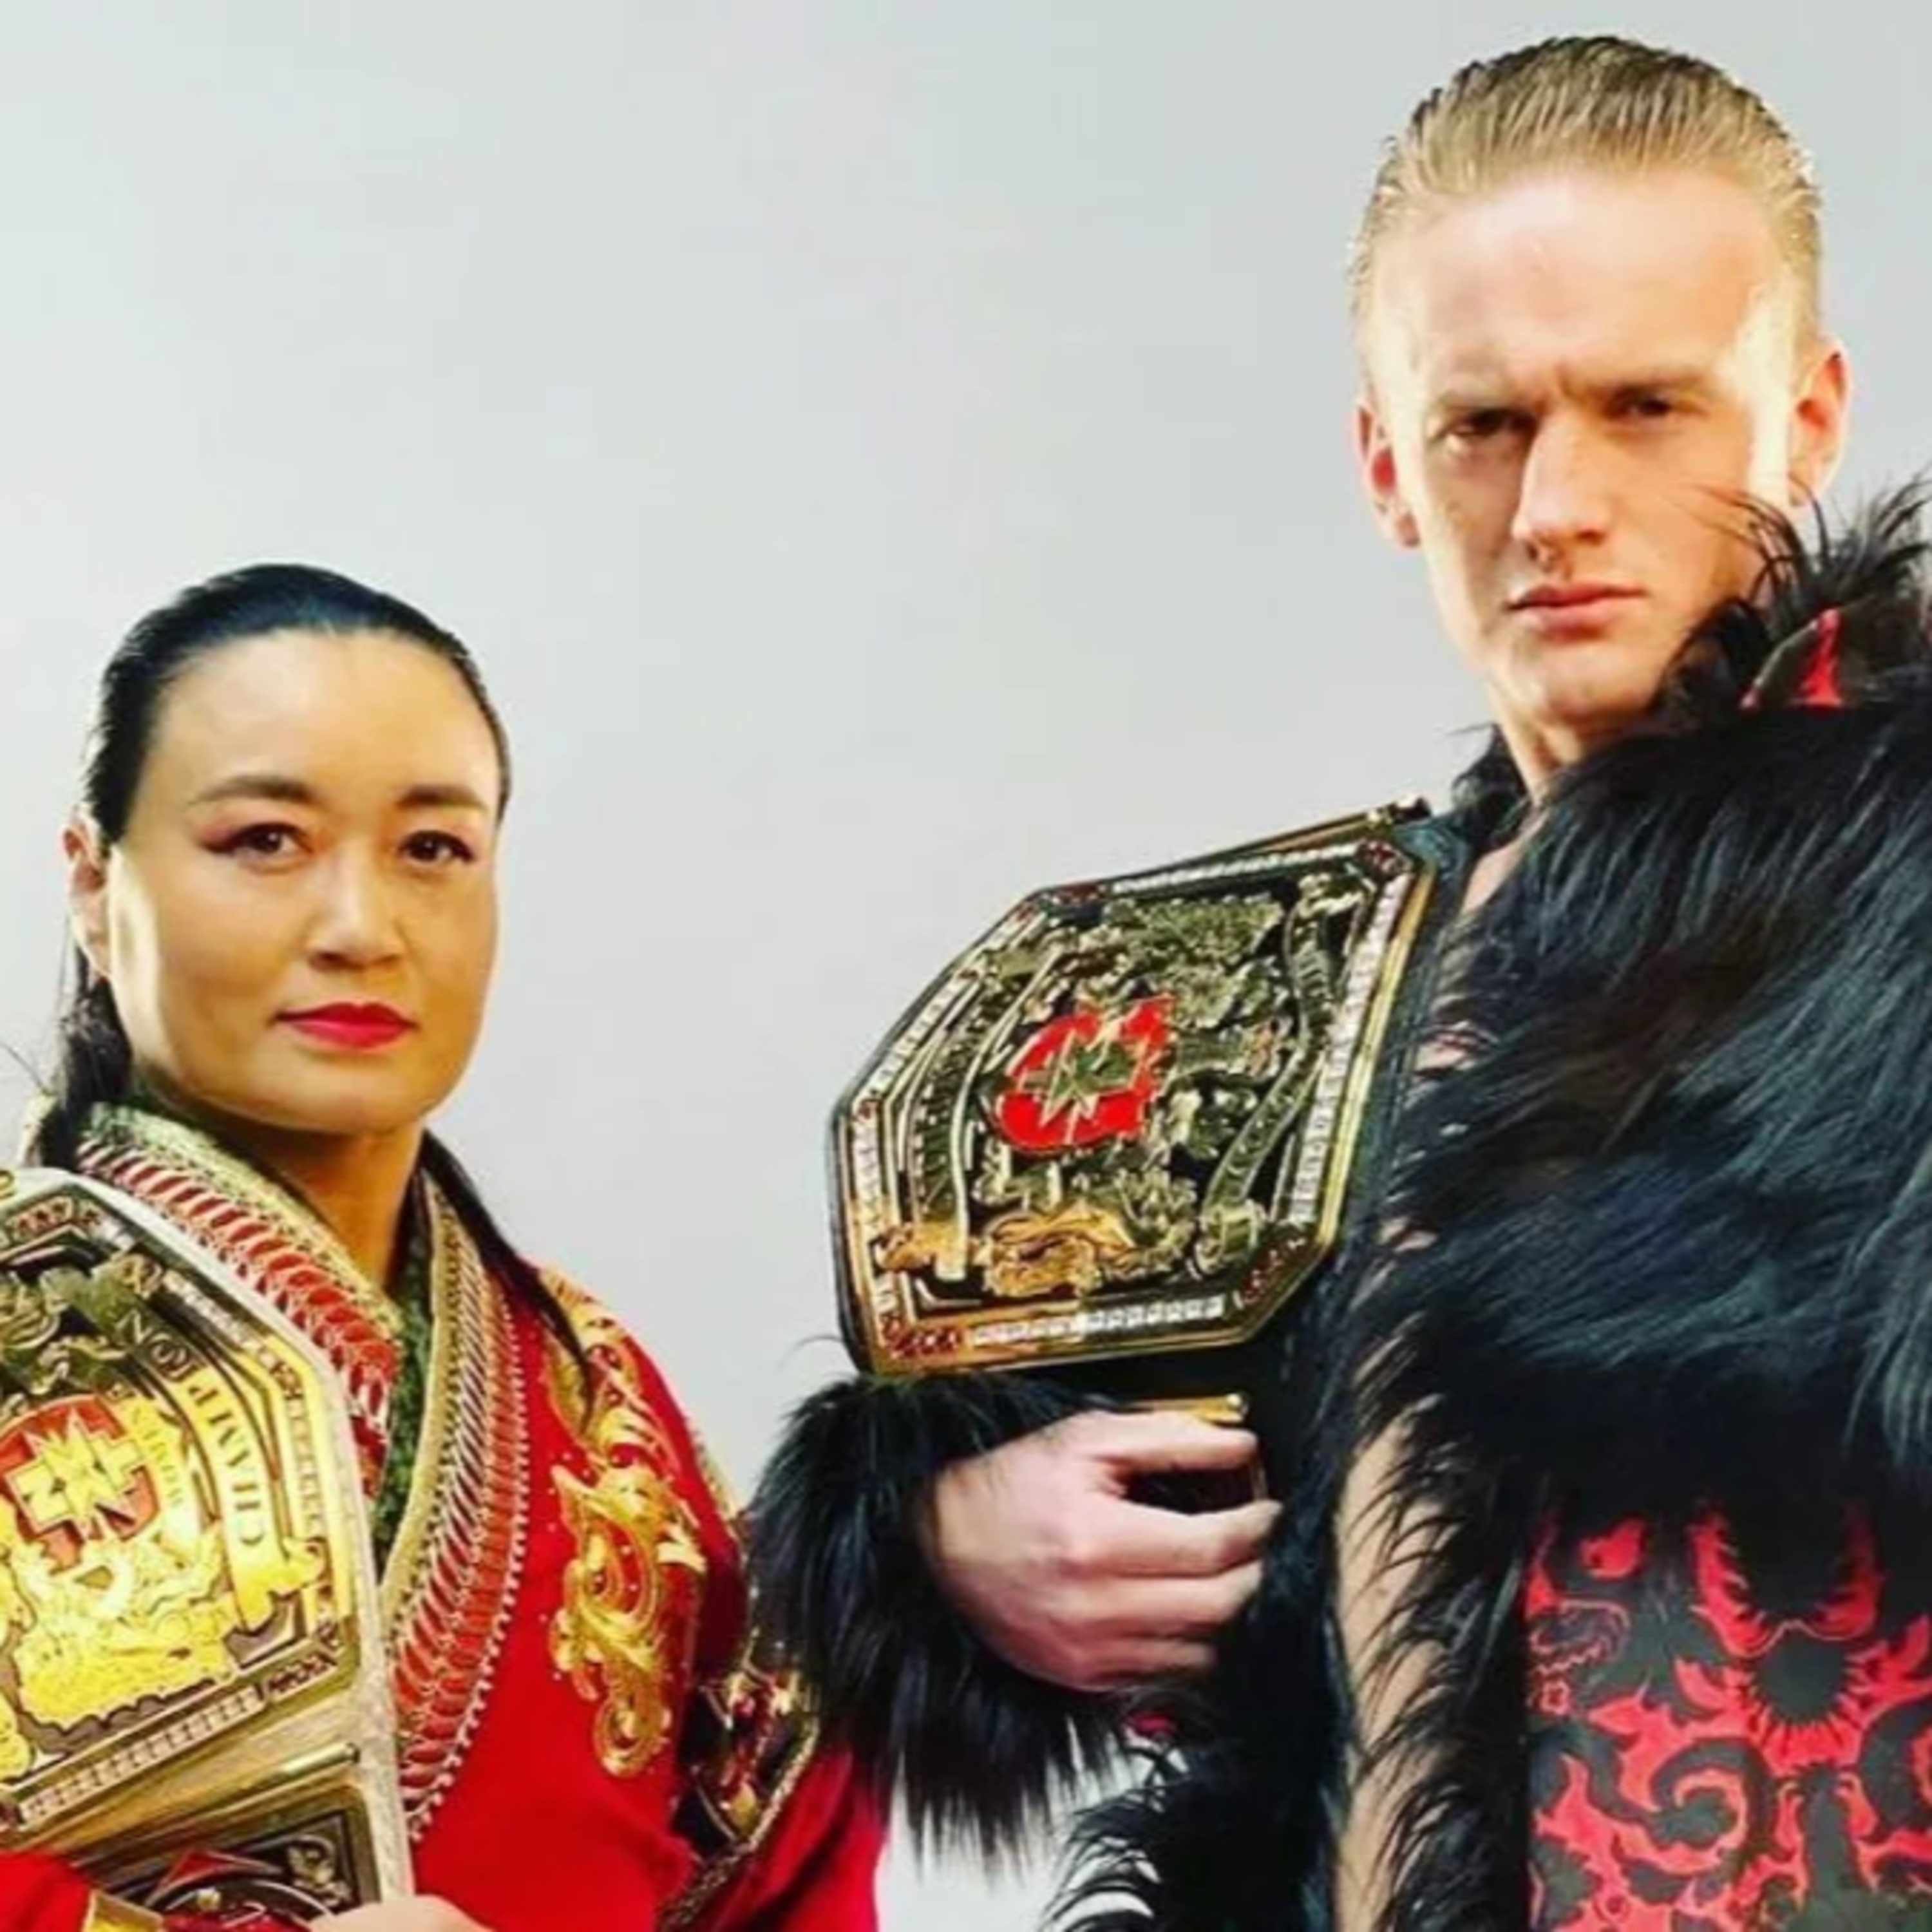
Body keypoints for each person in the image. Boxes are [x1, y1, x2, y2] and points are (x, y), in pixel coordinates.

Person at [750, 32, 1932, 1926]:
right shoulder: (1289, 983)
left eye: (1647, 408)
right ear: (1388, 463)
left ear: (1807, 421)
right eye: (1485, 425)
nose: (1556, 504)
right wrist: (946, 1533)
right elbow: (1003, 1472)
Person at [0, 564, 883, 1931]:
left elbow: (785, 1874)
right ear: (92, 879)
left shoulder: (601, 1403)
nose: (362, 928)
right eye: (265, 840)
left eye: (432, 849)